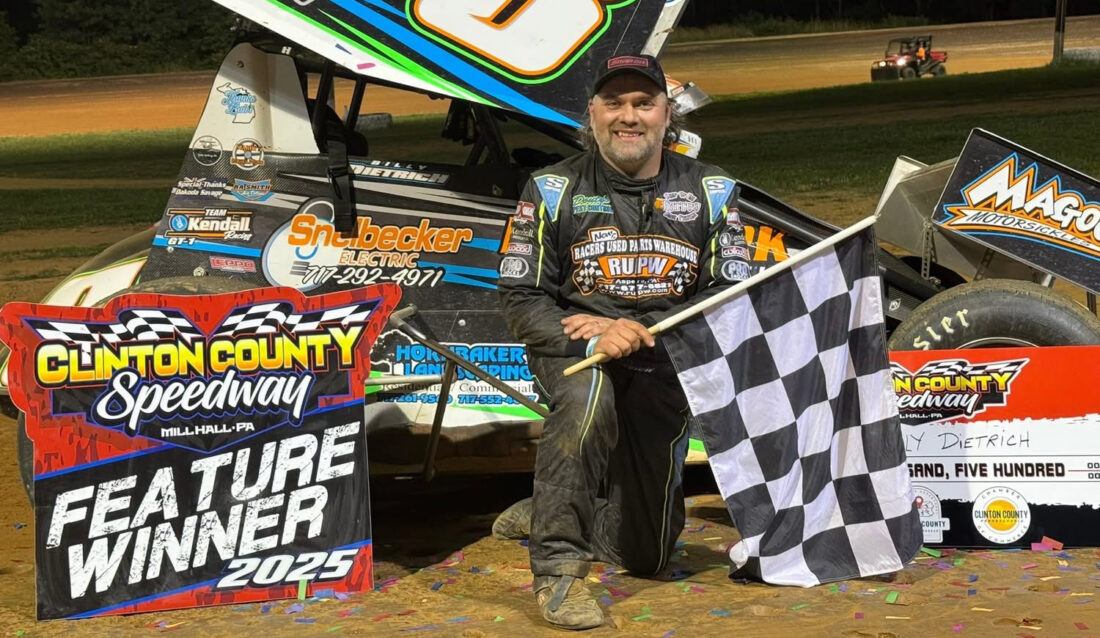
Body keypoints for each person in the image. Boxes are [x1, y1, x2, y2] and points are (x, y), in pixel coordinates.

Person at [494, 54, 752, 630]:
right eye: (614, 103)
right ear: (592, 113)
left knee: (648, 555)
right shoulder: (552, 187)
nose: (628, 116)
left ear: (667, 115)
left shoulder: (712, 189)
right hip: (577, 351)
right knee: (588, 400)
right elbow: (520, 296)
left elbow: (729, 294)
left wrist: (647, 330)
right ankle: (559, 571)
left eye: (644, 103)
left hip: (665, 358)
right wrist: (595, 333)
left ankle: (554, 508)